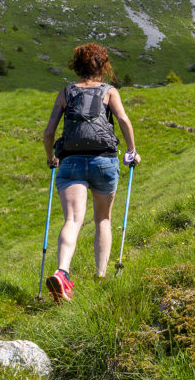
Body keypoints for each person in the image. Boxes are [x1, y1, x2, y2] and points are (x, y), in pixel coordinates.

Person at [42, 43, 140, 302]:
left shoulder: (66, 93)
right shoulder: (110, 91)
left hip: (71, 161)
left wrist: (51, 157)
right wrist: (131, 152)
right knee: (103, 220)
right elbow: (123, 121)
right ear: (103, 66)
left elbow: (49, 131)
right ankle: (100, 276)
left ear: (76, 66)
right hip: (103, 161)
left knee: (73, 220)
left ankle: (62, 273)